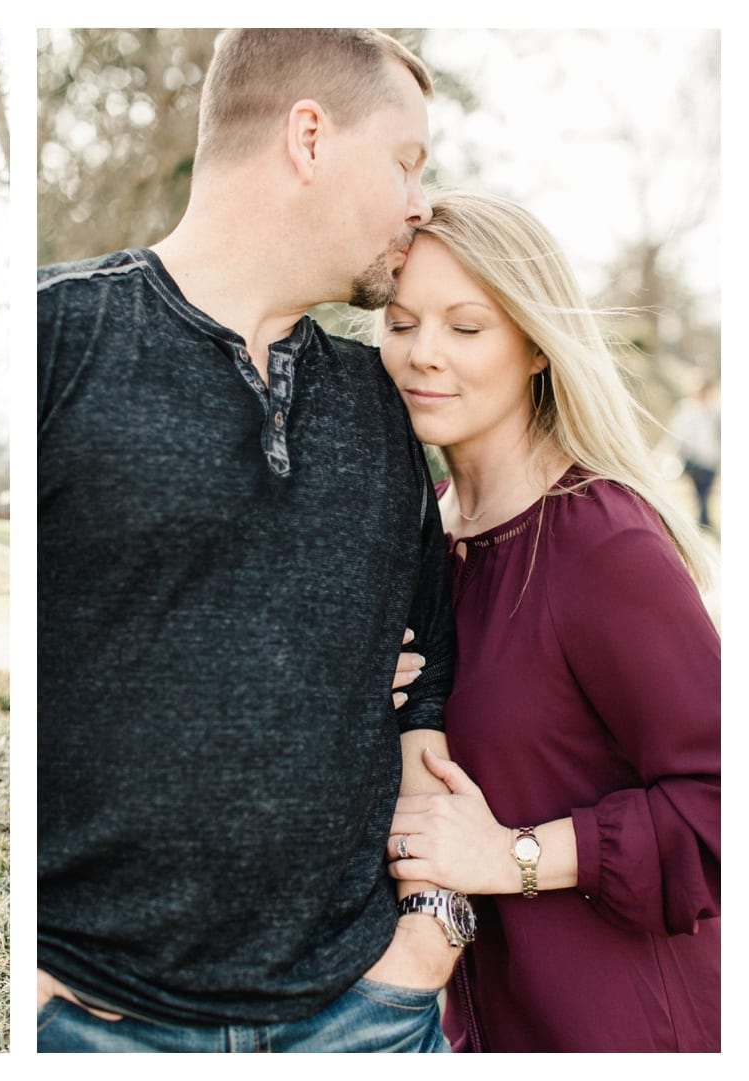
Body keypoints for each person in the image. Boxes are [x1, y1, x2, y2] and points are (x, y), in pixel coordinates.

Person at [37, 29, 468, 1053]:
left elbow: (429, 677)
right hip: (93, 1025)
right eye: (405, 161)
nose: (421, 202)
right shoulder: (59, 340)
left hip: (358, 1017)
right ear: (308, 137)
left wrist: (425, 944)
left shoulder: (381, 402)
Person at [378, 190, 720, 1052]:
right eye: (400, 321)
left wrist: (512, 856)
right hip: (472, 1028)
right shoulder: (427, 539)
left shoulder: (600, 542)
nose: (424, 355)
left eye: (466, 327)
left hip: (623, 1031)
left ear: (533, 345)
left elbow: (721, 799)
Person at [670, 380, 720, 530]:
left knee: (704, 491)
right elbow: (678, 433)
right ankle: (702, 520)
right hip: (694, 458)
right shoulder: (686, 409)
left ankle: (703, 519)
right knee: (699, 491)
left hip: (710, 458)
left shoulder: (713, 412)